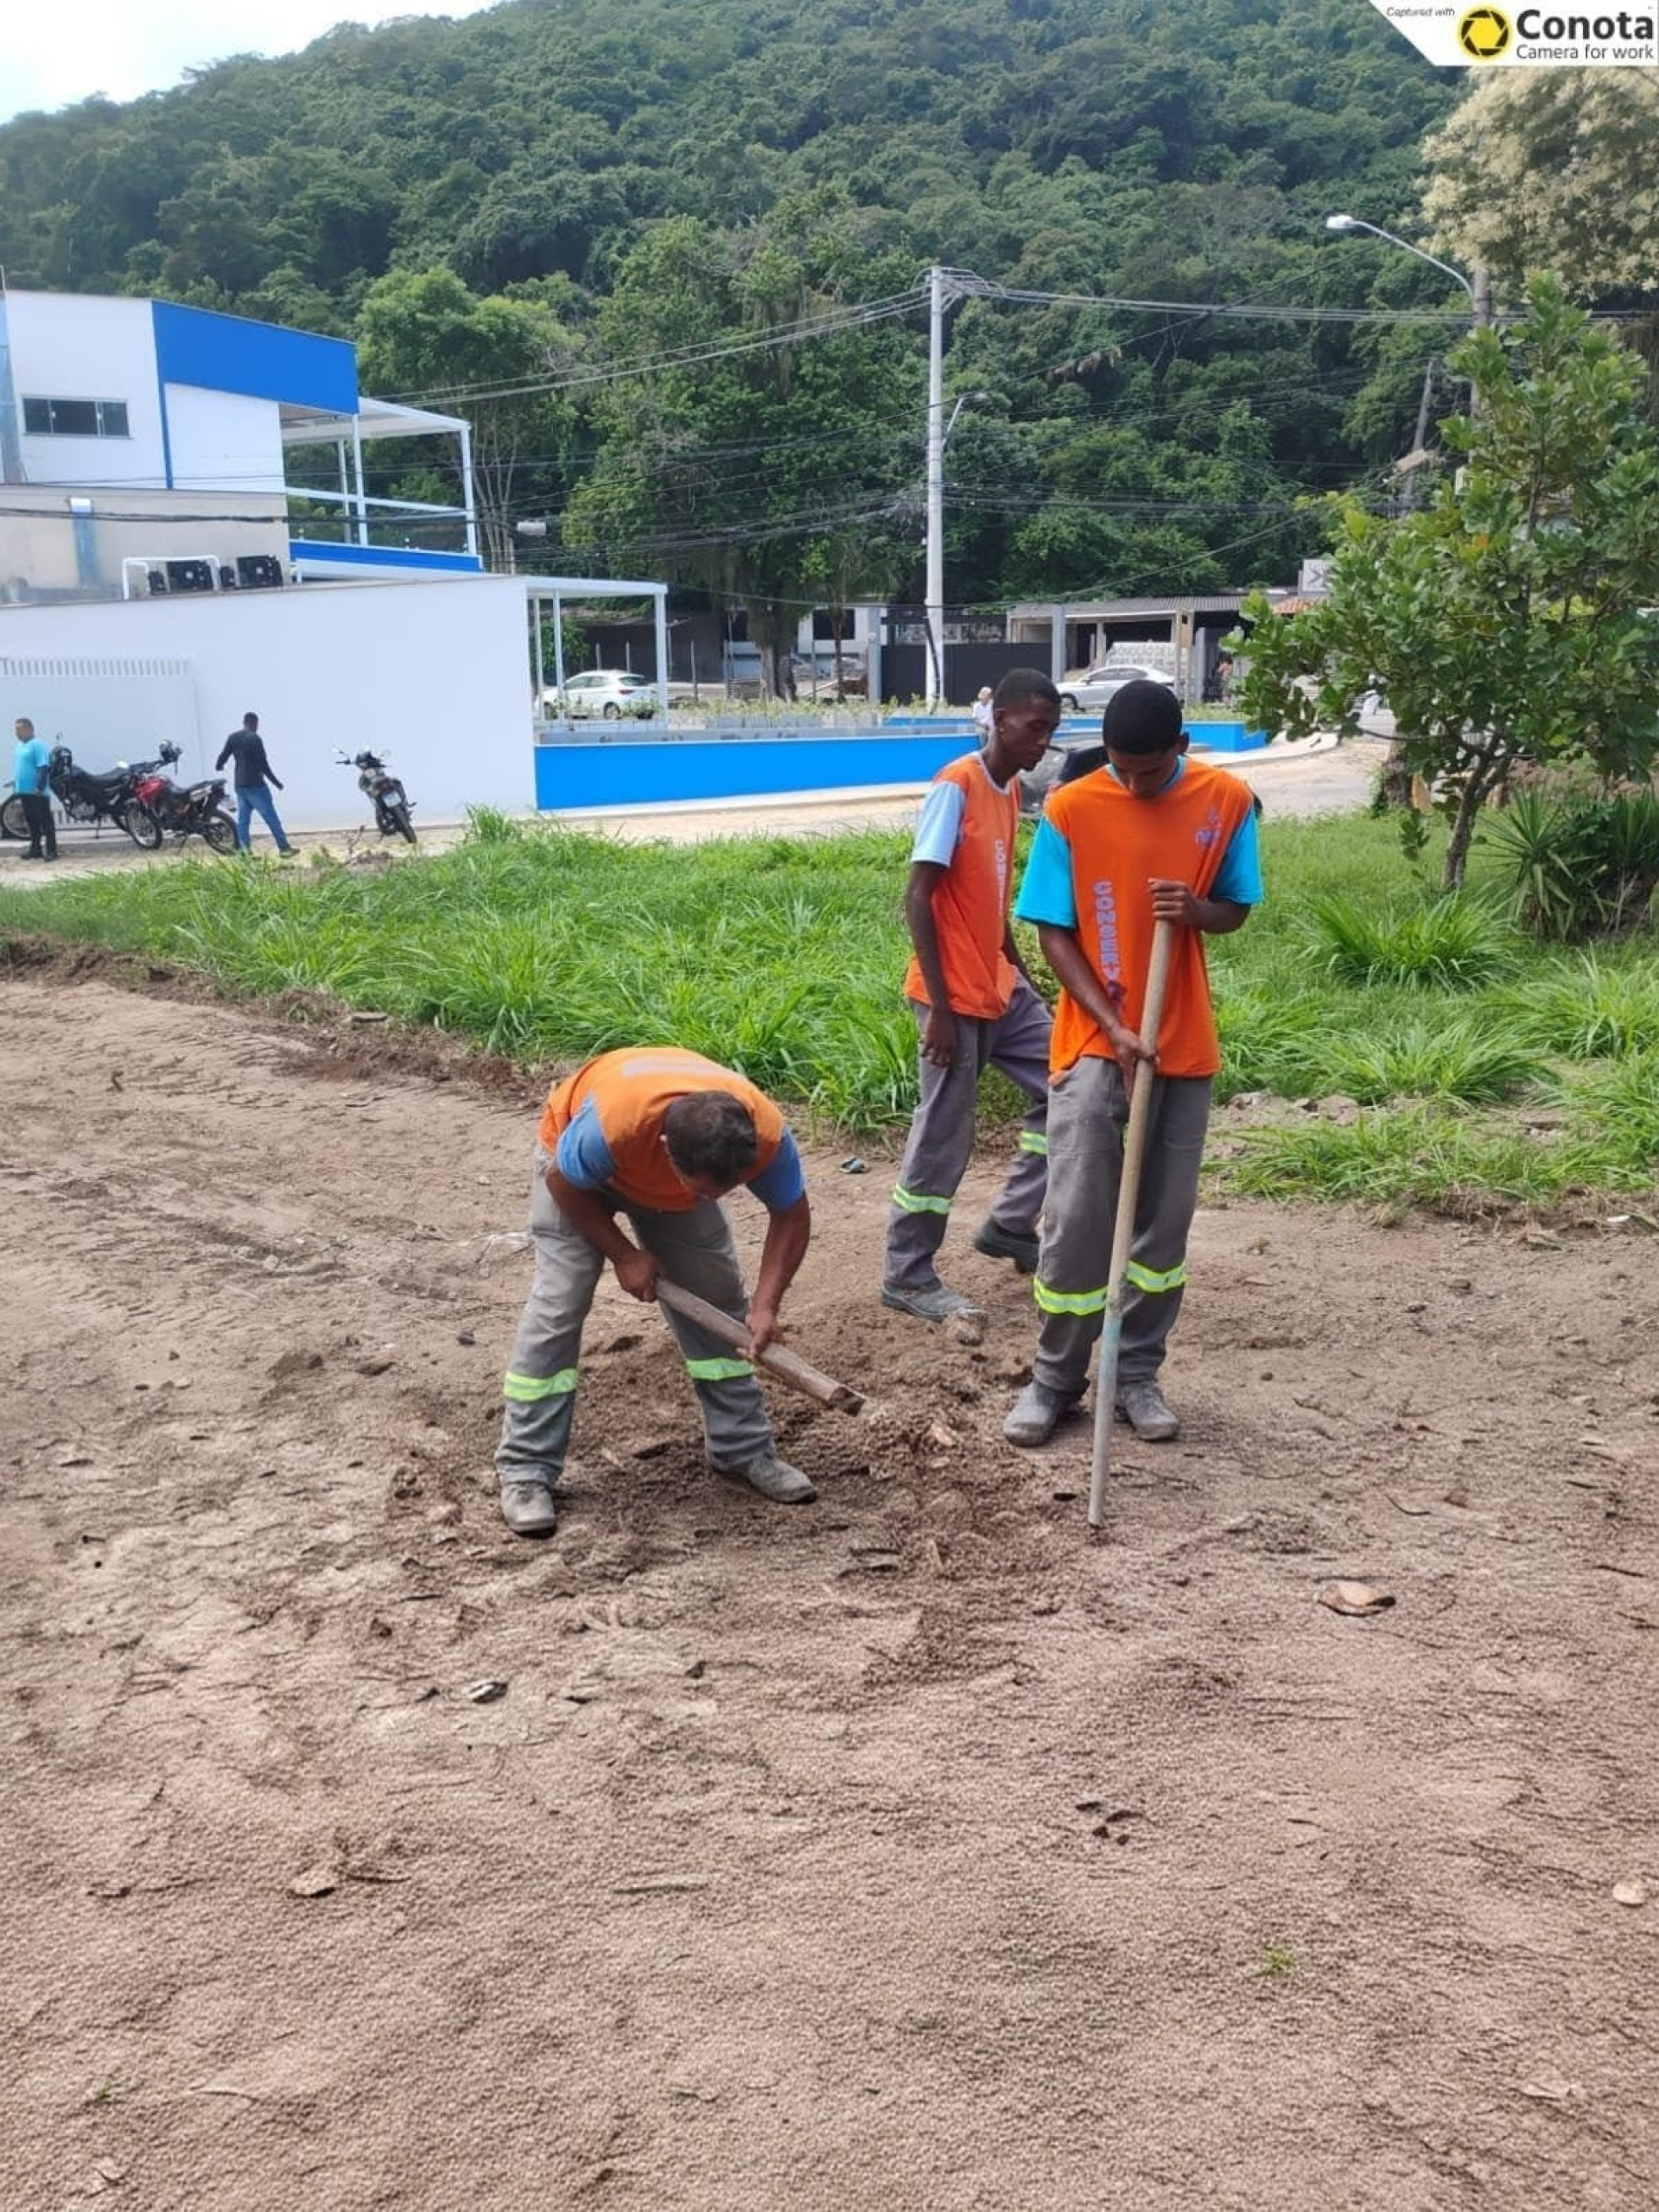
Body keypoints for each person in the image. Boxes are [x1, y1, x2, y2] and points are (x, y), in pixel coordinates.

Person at [1003, 679, 1262, 1448]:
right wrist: (1113, 1025)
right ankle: (1055, 1379)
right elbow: (1052, 929)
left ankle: (1136, 1373)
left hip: (1181, 1043)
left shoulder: (1226, 802)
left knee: (1161, 1225)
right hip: (1094, 1039)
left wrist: (1198, 910)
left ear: (1181, 749)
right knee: (1078, 1215)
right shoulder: (1073, 807)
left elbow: (1238, 908)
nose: (1132, 783)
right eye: (1120, 767)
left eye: (1148, 772)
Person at [494, 1046, 817, 1536]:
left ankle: (742, 1449)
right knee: (561, 1303)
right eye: (704, 1190)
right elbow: (563, 1182)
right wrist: (625, 1255)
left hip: (657, 1168)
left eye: (723, 1192)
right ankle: (525, 1470)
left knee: (717, 1298)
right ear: (667, 1147)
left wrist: (766, 1306)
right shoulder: (612, 1127)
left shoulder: (763, 1135)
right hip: (571, 1170)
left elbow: (792, 1215)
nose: (713, 1203)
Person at [881, 668, 1060, 1324]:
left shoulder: (1009, 792)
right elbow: (919, 895)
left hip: (999, 987)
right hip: (952, 997)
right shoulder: (955, 786)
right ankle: (907, 1273)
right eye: (1035, 728)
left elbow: (988, 901)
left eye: (1051, 731)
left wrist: (1027, 976)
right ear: (1001, 719)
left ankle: (1012, 1222)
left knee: (1072, 1085)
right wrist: (943, 1010)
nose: (1043, 742)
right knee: (942, 1137)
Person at [215, 713, 296, 855]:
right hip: (256, 785)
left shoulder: (232, 737)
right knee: (271, 816)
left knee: (243, 821)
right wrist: (276, 782)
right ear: (254, 723)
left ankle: (245, 851)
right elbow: (263, 764)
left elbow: (223, 756)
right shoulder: (255, 738)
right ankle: (284, 848)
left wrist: (219, 766)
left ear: (244, 722)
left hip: (240, 785)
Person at [11, 717, 56, 861]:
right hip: (24, 791)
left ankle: (51, 851)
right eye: (16, 730)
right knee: (32, 822)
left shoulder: (38, 745)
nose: (17, 733)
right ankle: (35, 849)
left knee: (45, 821)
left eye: (20, 729)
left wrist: (40, 786)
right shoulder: (19, 746)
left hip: (37, 791)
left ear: (30, 729)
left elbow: (43, 767)